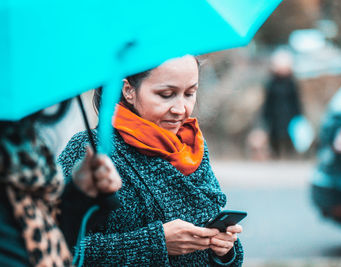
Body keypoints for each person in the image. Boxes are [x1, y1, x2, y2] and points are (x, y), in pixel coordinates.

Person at [58, 55, 244, 266]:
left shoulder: (191, 146)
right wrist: (156, 243)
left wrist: (225, 251)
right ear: (128, 90)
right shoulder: (89, 150)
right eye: (166, 95)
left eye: (190, 93)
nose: (181, 109)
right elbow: (56, 246)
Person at [0, 101, 122, 267]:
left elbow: (48, 238)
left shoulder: (22, 145)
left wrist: (80, 193)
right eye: (164, 94)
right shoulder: (81, 141)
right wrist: (158, 240)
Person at [262, 50, 302, 158]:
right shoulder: (272, 83)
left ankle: (290, 156)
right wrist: (265, 116)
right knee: (275, 138)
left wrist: (299, 116)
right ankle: (276, 156)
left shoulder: (291, 83)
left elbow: (296, 101)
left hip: (289, 116)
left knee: (289, 138)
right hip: (275, 116)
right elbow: (268, 101)